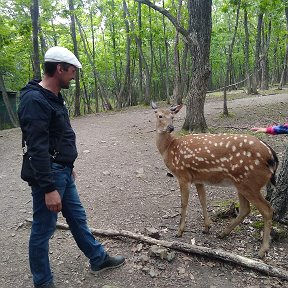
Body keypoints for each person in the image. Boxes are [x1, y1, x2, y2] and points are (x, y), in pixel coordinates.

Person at [18, 46, 125, 288]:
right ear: (59, 68)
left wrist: (68, 164)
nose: (74, 75)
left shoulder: (54, 95)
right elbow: (36, 147)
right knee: (42, 230)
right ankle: (43, 282)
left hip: (62, 170)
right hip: (50, 176)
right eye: (72, 70)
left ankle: (98, 258)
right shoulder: (34, 100)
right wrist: (48, 188)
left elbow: (58, 135)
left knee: (77, 218)